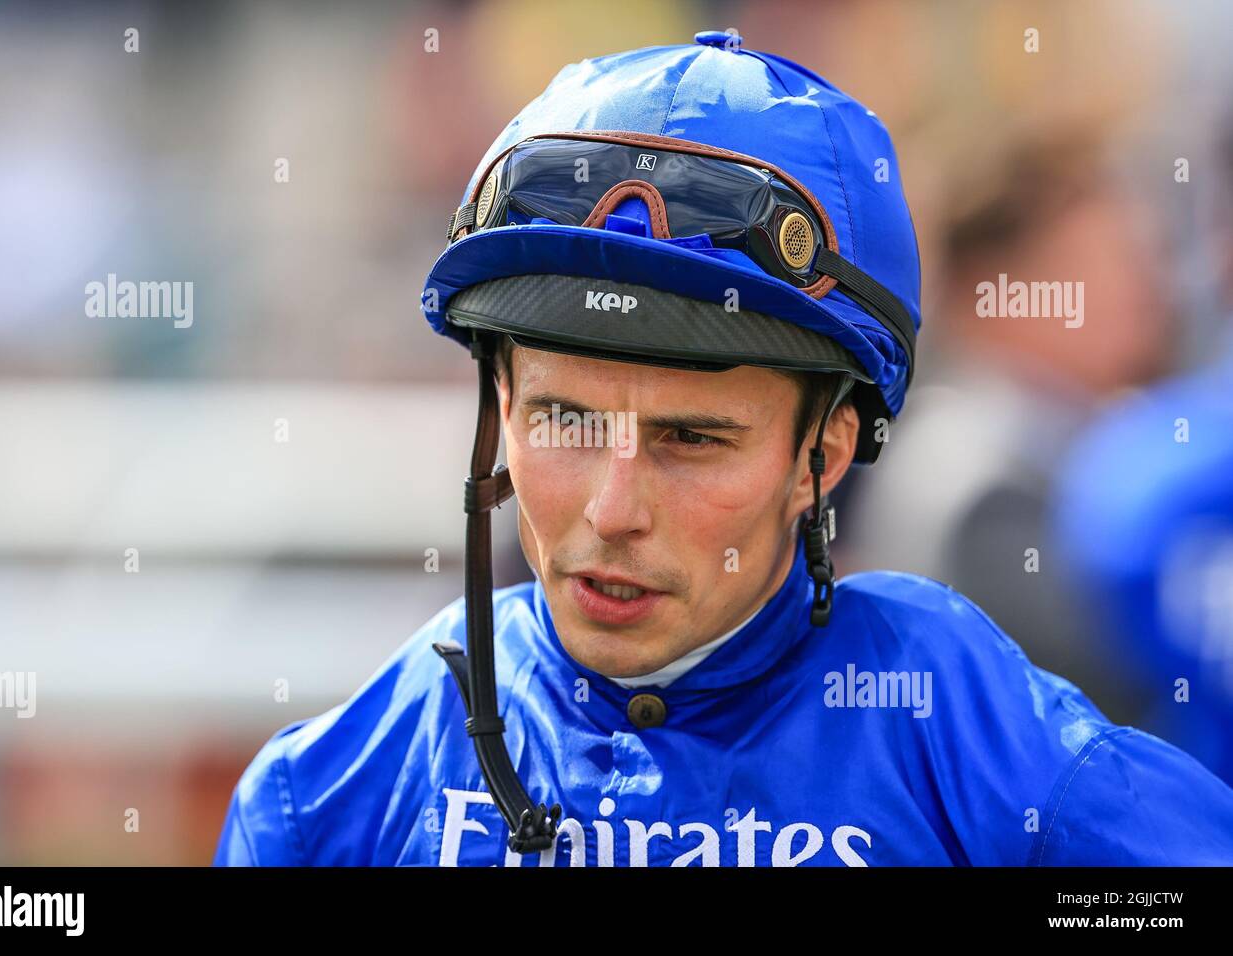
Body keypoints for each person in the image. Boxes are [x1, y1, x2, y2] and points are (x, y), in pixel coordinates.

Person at [214, 32, 1233, 866]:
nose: (612, 508)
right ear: (497, 407)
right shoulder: (324, 798)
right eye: (565, 419)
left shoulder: (984, 750)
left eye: (691, 437)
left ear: (824, 456)